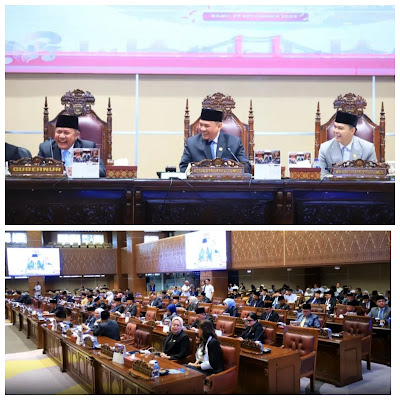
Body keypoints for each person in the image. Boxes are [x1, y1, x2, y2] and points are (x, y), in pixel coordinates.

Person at [179, 108, 251, 173]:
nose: (202, 129)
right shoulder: (191, 143)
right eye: (200, 125)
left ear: (219, 126)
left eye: (206, 126)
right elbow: (183, 168)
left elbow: (247, 167)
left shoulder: (234, 142)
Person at [37, 114, 106, 177]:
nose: (61, 136)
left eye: (66, 133)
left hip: (79, 185)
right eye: (59, 132)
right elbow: (36, 170)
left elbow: (102, 171)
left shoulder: (87, 147)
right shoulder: (46, 148)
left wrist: (78, 171)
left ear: (76, 135)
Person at [319, 111, 377, 175]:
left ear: (352, 131)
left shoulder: (368, 149)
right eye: (335, 127)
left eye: (340, 128)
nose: (335, 131)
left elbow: (373, 175)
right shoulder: (325, 149)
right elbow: (322, 175)